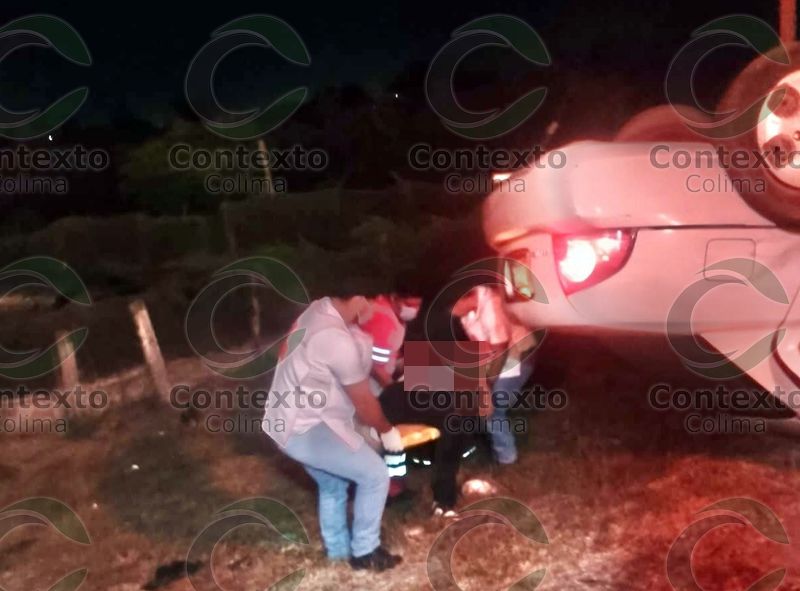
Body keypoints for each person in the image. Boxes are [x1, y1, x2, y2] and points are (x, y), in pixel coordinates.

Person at [262, 291, 403, 571]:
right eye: (373, 302)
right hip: (304, 427)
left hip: (285, 420)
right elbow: (363, 402)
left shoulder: (316, 311)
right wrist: (387, 431)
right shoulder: (335, 338)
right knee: (374, 475)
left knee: (333, 484)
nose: (376, 308)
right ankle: (365, 551)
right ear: (360, 298)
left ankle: (337, 551)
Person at [454, 284, 537, 465]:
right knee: (478, 401)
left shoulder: (492, 305)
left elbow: (501, 350)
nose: (450, 312)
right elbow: (479, 348)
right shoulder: (466, 312)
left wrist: (486, 388)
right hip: (495, 357)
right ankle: (484, 447)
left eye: (452, 306)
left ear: (466, 299)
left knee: (493, 408)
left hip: (517, 354)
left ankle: (507, 458)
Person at [358, 292, 422, 497]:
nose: (414, 308)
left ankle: (392, 484)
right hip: (370, 389)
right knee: (381, 437)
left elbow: (386, 356)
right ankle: (389, 488)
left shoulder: (386, 312)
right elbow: (376, 367)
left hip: (367, 387)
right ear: (396, 297)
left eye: (417, 304)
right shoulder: (385, 320)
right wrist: (395, 390)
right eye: (410, 302)